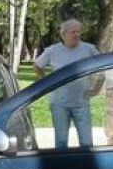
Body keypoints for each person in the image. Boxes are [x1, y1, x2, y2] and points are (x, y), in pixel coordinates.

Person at [34, 19, 102, 149]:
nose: (76, 35)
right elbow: (37, 66)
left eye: (78, 32)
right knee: (61, 142)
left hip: (81, 102)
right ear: (64, 35)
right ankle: (62, 167)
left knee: (86, 142)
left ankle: (86, 166)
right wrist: (46, 83)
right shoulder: (52, 50)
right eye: (73, 32)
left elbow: (101, 69)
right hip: (59, 103)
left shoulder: (89, 49)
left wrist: (96, 90)